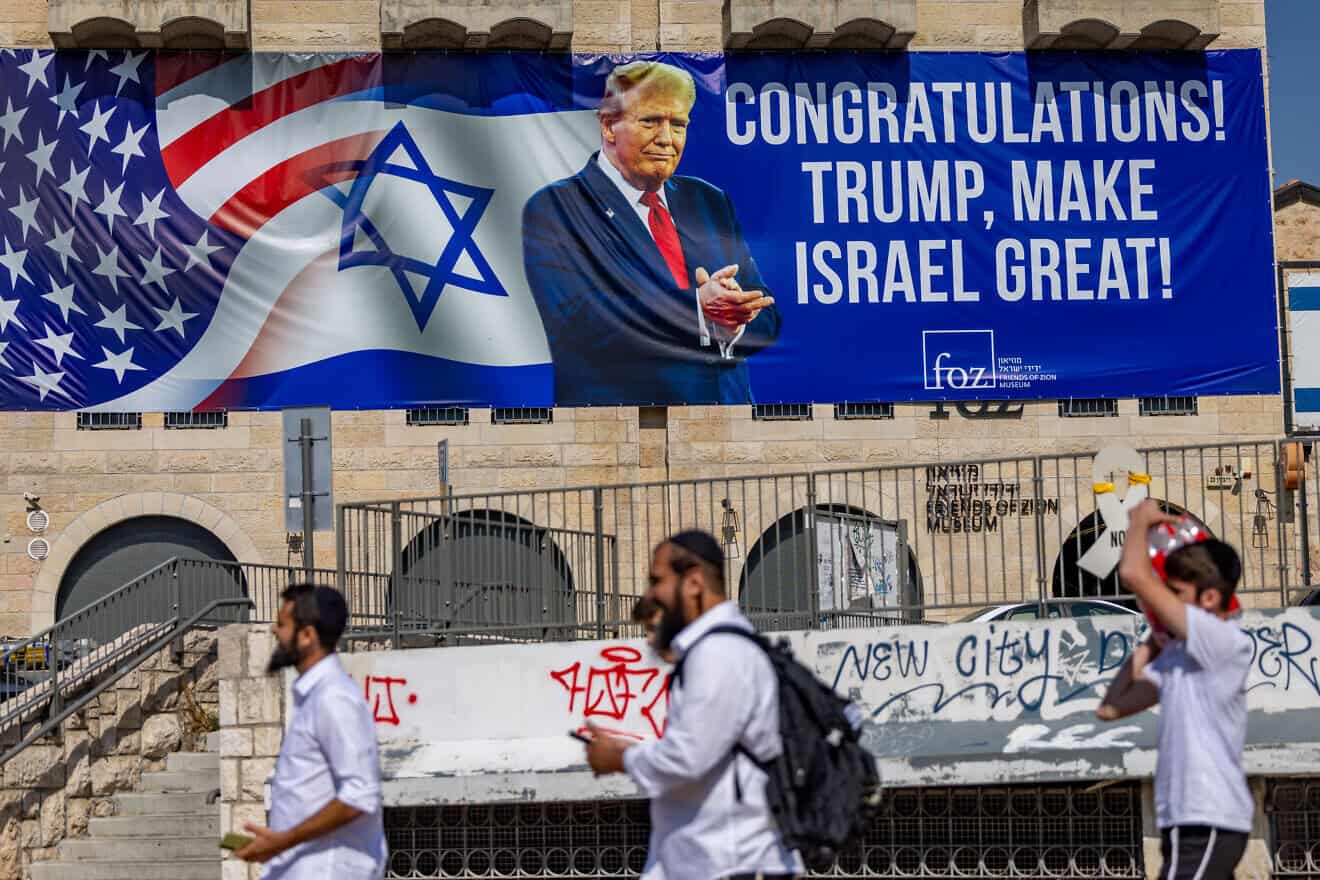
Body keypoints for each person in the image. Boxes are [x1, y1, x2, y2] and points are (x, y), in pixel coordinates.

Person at [522, 60, 781, 406]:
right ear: (609, 125)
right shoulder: (555, 208)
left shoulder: (709, 201)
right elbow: (583, 325)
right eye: (650, 122)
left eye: (678, 124)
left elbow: (766, 314)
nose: (666, 139)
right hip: (622, 432)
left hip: (728, 431)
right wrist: (699, 310)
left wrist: (734, 320)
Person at [583, 531, 801, 880]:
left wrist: (619, 757)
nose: (651, 594)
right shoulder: (720, 648)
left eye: (657, 581)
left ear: (694, 583)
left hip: (734, 866)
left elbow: (687, 758)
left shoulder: (718, 654)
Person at [1097, 500, 1253, 880]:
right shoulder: (1180, 659)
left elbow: (1134, 573)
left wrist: (1138, 521)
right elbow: (1112, 707)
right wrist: (1152, 639)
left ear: (1210, 598)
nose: (1166, 603)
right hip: (1183, 818)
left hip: (1209, 815)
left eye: (1176, 594)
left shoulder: (1223, 641)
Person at [235, 585, 387, 879]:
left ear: (307, 636)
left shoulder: (334, 698)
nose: (274, 631)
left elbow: (359, 795)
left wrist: (286, 839)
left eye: (282, 624)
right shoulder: (316, 696)